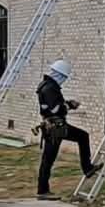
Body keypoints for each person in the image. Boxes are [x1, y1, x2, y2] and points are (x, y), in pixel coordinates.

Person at [35, 60, 93, 196]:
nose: (64, 81)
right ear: (59, 75)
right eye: (64, 78)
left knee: (48, 159)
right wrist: (70, 105)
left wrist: (66, 103)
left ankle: (87, 168)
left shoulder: (46, 85)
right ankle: (42, 190)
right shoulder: (50, 88)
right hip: (55, 127)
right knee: (49, 159)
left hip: (53, 126)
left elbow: (53, 105)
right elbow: (56, 109)